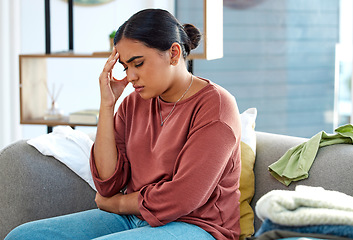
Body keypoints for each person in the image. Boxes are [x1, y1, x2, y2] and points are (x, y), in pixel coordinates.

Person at [5, 8, 241, 240]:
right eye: (125, 67)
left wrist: (118, 203)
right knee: (23, 236)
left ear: (174, 53)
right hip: (135, 217)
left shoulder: (216, 106)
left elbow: (183, 197)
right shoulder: (133, 103)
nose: (130, 77)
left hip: (198, 226)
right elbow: (108, 184)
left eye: (138, 64)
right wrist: (107, 105)